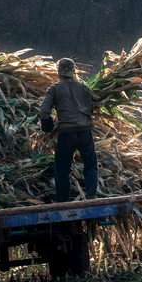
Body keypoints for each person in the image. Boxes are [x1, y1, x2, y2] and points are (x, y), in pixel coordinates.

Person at [39, 58, 97, 202]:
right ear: (74, 71)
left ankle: (63, 202)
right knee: (90, 165)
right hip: (85, 132)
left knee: (62, 169)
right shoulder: (84, 87)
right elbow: (91, 108)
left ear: (58, 72)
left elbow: (44, 111)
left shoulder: (54, 88)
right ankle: (91, 196)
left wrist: (48, 126)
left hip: (67, 134)